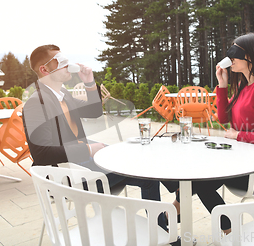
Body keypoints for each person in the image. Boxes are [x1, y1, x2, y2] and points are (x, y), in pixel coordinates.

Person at [165, 33, 254, 234]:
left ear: (250, 56)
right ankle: (181, 212)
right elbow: (223, 118)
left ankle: (179, 214)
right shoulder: (242, 86)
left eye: (235, 53)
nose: (230, 58)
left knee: (201, 180)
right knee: (199, 174)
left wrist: (237, 135)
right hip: (245, 163)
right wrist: (222, 84)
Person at [22, 44, 162, 202]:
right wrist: (87, 149)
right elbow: (41, 153)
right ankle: (166, 216)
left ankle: (175, 190)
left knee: (133, 159)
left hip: (82, 164)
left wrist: (89, 82)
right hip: (68, 177)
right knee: (146, 176)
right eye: (60, 61)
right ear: (44, 70)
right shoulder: (36, 103)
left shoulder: (63, 95)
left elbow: (94, 111)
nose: (67, 65)